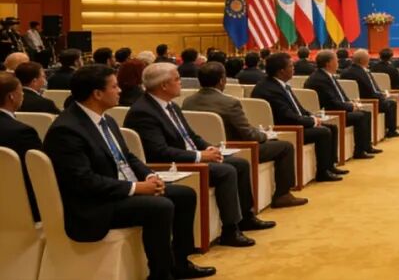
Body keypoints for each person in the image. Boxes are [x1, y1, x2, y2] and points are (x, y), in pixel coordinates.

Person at [43, 64, 215, 279]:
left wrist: (149, 175)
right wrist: (135, 188)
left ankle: (180, 262)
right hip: (95, 203)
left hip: (117, 188)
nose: (120, 91)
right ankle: (161, 274)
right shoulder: (67, 130)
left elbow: (127, 157)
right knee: (160, 206)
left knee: (184, 195)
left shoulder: (105, 119)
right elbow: (83, 181)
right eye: (114, 87)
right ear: (97, 94)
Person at [124, 62, 273, 247]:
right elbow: (159, 151)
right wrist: (200, 157)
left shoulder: (171, 106)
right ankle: (230, 229)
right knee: (226, 171)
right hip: (171, 163)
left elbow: (191, 136)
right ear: (163, 85)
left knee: (240, 163)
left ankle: (246, 217)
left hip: (190, 156)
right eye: (177, 79)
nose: (181, 83)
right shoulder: (143, 112)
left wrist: (209, 149)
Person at [182, 62, 307, 209]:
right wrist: (264, 136)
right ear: (222, 80)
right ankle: (282, 195)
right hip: (239, 148)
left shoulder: (187, 101)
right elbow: (248, 134)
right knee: (285, 147)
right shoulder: (230, 103)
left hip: (206, 149)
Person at [253, 53, 349, 181]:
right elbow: (286, 115)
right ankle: (322, 172)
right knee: (324, 132)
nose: (294, 69)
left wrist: (311, 116)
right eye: (291, 66)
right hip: (286, 127)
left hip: (295, 122)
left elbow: (297, 108)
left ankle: (330, 166)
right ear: (281, 71)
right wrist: (311, 121)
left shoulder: (280, 84)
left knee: (332, 127)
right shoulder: (269, 89)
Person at [304, 51, 380, 159]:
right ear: (328, 63)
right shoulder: (319, 79)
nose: (338, 62)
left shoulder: (328, 76)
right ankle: (359, 151)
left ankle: (366, 146)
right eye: (336, 60)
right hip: (332, 111)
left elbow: (340, 96)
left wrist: (350, 103)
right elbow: (331, 102)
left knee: (365, 113)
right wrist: (350, 107)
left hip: (338, 108)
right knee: (360, 116)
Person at [0, 71, 42, 221]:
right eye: (21, 92)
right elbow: (40, 173)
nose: (23, 95)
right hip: (21, 210)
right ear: (11, 96)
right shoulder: (22, 132)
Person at [340, 48, 399, 139]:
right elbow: (371, 91)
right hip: (369, 100)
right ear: (363, 60)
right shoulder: (364, 73)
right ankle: (391, 130)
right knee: (391, 103)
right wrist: (382, 96)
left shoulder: (345, 72)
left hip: (353, 100)